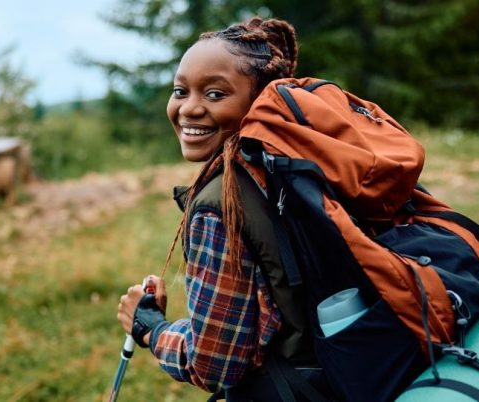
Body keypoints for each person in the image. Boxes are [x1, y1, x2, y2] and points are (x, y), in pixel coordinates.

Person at [116, 17, 335, 401]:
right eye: (180, 90)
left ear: (258, 100)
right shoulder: (303, 159)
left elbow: (215, 363)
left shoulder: (221, 204)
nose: (189, 109)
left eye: (215, 94)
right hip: (350, 371)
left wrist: (150, 326)